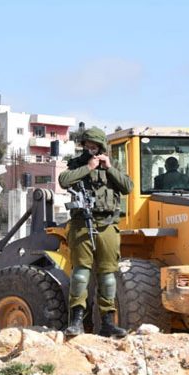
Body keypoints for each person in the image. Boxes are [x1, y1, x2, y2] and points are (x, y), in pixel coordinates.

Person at [59, 127, 133, 338]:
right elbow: (64, 180)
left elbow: (128, 187)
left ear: (101, 146)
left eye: (94, 146)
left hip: (108, 224)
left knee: (108, 275)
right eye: (87, 145)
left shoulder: (113, 166)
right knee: (81, 274)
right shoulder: (77, 164)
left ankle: (108, 322)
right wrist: (88, 168)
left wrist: (108, 168)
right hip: (82, 223)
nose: (90, 148)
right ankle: (76, 322)